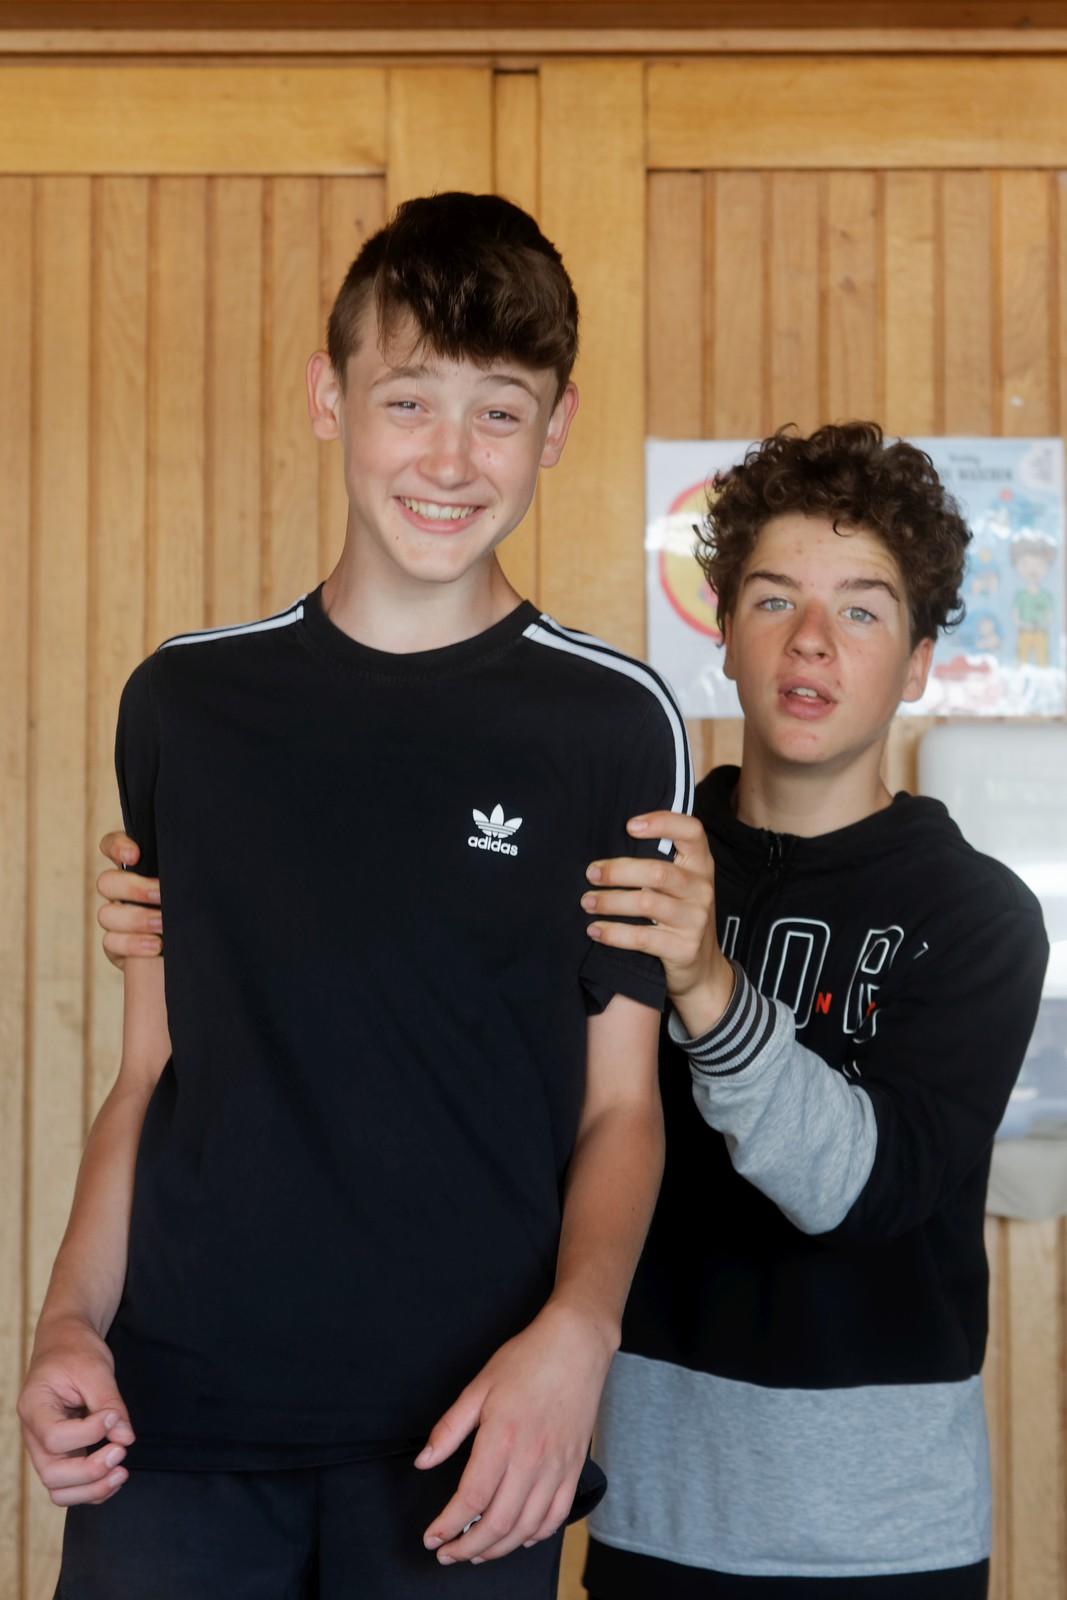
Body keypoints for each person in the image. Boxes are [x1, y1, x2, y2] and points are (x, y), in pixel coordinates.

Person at [18, 192, 694, 1600]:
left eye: (497, 412)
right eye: (407, 401)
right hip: (176, 1427)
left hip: (472, 1438)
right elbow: (151, 1070)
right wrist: (69, 1320)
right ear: (329, 400)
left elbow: (621, 1106)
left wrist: (578, 1339)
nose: (448, 458)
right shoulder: (186, 705)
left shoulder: (613, 725)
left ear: (554, 427)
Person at [575, 423, 1048, 1598]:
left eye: (861, 610)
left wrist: (706, 984)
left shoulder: (980, 919)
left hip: (887, 1543)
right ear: (723, 630)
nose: (810, 641)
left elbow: (859, 1187)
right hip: (646, 1508)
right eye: (774, 598)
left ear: (919, 661)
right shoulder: (630, 867)